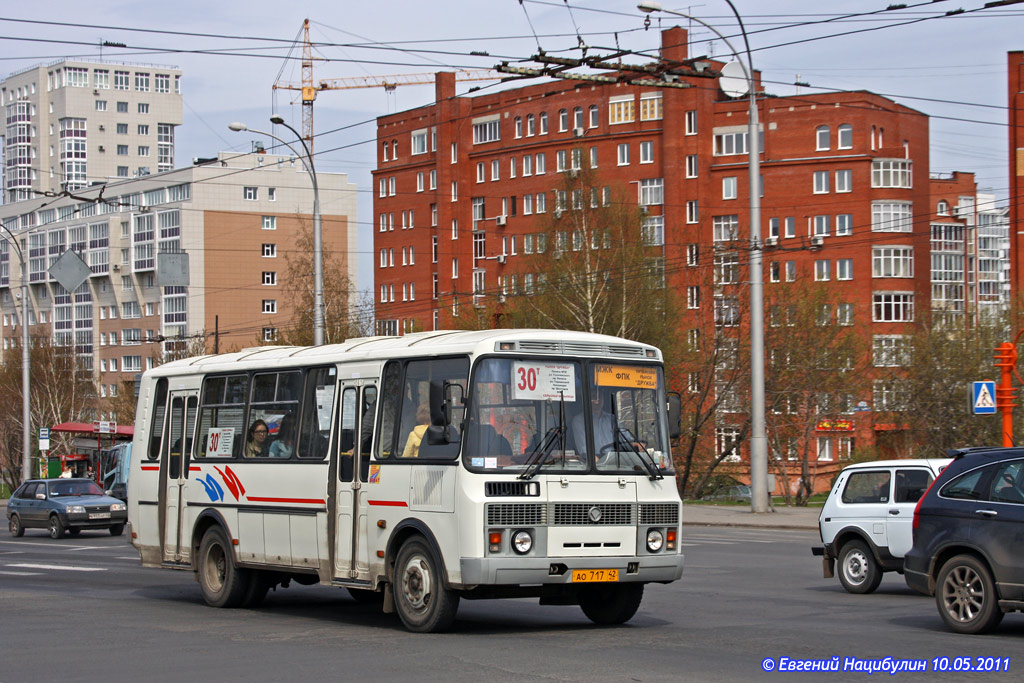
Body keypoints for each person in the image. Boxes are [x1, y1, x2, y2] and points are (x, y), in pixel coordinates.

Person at [571, 391, 639, 456]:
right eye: (594, 396)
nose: (597, 399)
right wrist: (592, 458)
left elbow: (625, 439)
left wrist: (635, 444)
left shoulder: (612, 419)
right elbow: (583, 448)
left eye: (600, 396)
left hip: (614, 459)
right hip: (593, 461)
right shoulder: (579, 420)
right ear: (587, 399)